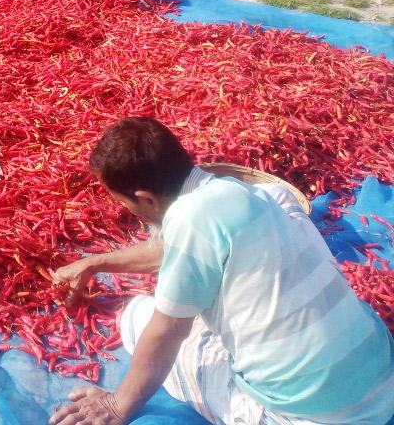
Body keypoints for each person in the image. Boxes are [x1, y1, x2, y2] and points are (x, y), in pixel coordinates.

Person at [50, 117, 394, 425]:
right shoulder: (249, 193)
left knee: (139, 317)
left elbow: (168, 329)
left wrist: (117, 405)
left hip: (307, 416)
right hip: (382, 385)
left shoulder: (190, 220)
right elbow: (168, 248)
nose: (131, 212)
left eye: (127, 204)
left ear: (147, 198)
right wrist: (93, 263)